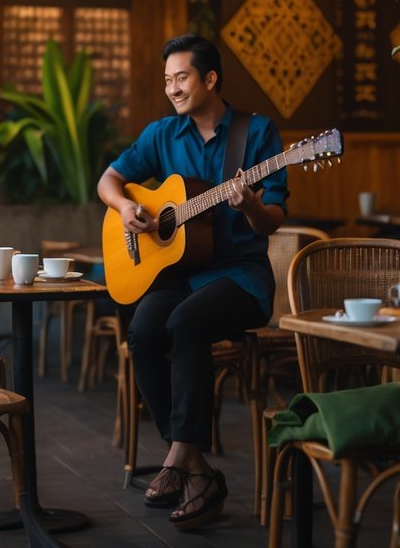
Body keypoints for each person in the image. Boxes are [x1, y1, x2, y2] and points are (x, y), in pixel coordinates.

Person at [97, 34, 288, 530]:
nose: (173, 88)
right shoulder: (162, 134)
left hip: (241, 278)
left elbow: (272, 221)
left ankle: (177, 459)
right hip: (182, 273)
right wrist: (125, 208)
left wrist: (250, 206)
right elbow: (108, 181)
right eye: (167, 80)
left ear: (209, 79)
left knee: (185, 323)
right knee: (142, 331)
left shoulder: (257, 132)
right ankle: (196, 466)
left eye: (181, 77)